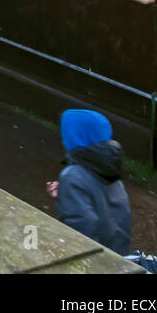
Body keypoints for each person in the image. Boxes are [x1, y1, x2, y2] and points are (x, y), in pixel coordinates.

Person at [48, 109, 132, 256]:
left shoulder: (72, 176)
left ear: (75, 136)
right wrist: (65, 196)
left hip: (94, 262)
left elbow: (80, 230)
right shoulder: (111, 170)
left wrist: (68, 195)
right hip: (118, 257)